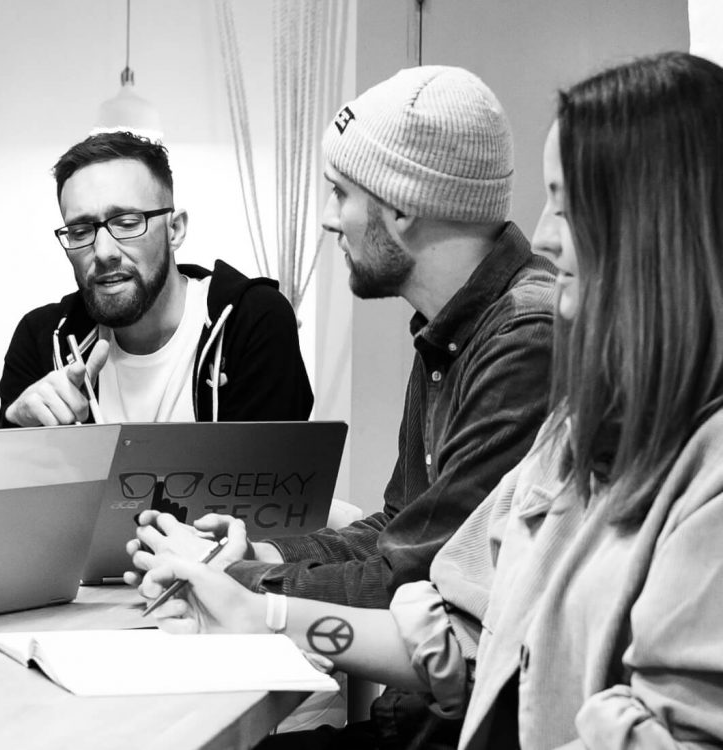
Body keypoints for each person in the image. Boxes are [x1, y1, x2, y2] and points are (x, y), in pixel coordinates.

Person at [138, 51, 723, 748]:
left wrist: (258, 583)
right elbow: (455, 622)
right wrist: (255, 603)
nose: (542, 235)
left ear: (657, 230)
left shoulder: (544, 355)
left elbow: (419, 583)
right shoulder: (568, 426)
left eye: (569, 205)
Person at [129, 66, 556, 747]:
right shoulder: (450, 328)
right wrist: (258, 549)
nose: (328, 217)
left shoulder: (526, 343)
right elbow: (399, 528)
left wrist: (246, 586)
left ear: (402, 206)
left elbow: (414, 574)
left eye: (339, 192)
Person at [0, 131, 313, 429]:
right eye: (81, 231)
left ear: (174, 230)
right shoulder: (40, 339)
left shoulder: (251, 322)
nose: (104, 252)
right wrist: (15, 425)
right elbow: (5, 483)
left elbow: (272, 480)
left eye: (127, 223)